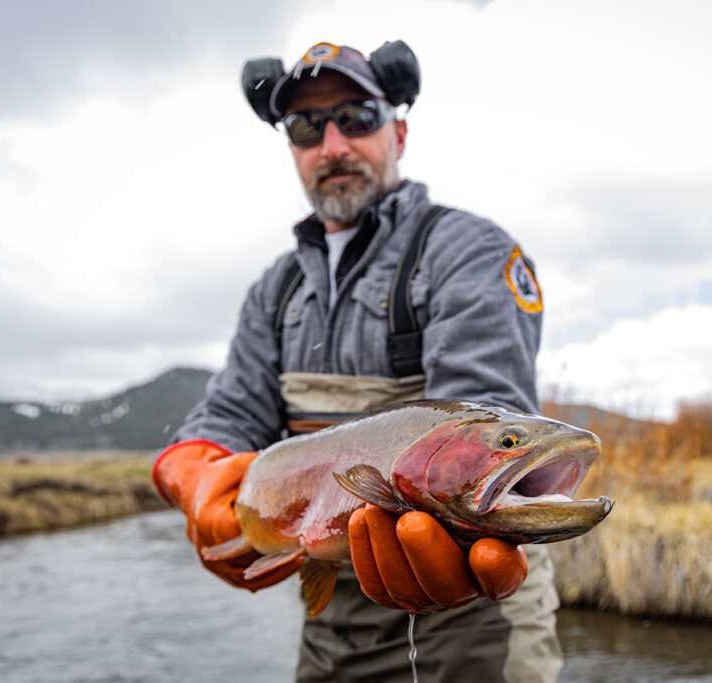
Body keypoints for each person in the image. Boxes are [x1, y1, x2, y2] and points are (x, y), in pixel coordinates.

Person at [152, 40, 562, 682]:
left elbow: (486, 416)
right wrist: (191, 475)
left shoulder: (468, 251)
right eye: (308, 127)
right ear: (293, 149)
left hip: (474, 618)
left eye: (357, 117)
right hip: (331, 622)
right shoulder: (273, 289)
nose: (334, 144)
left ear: (398, 130)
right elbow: (232, 412)